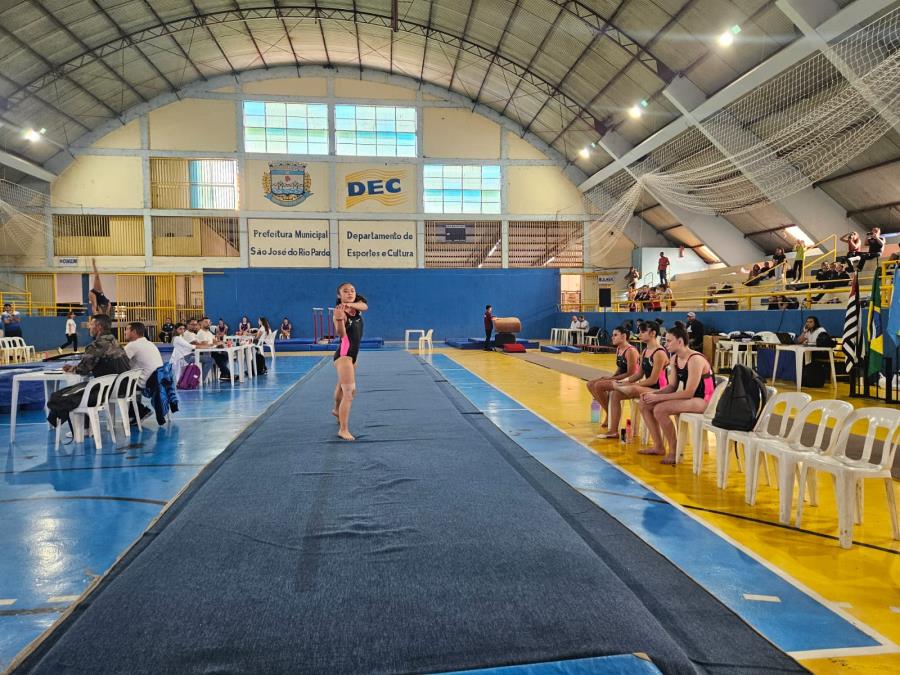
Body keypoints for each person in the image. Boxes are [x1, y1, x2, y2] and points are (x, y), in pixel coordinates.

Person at [637, 325, 714, 464]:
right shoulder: (674, 359)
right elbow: (672, 386)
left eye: (669, 341)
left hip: (704, 400)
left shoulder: (695, 359)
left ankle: (674, 451)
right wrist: (655, 394)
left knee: (660, 409)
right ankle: (659, 446)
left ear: (680, 341)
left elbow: (689, 392)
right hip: (691, 397)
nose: (666, 344)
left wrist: (658, 397)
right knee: (644, 403)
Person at [598, 322, 670, 439]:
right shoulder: (646, 351)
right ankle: (613, 431)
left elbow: (653, 380)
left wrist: (632, 385)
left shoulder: (659, 353)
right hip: (648, 386)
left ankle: (617, 386)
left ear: (653, 333)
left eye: (642, 332)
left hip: (659, 389)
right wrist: (626, 381)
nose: (639, 335)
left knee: (628, 387)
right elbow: (639, 374)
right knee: (616, 394)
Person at [332, 282, 368, 441]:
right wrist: (339, 321)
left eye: (352, 290)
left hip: (353, 356)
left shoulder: (357, 308)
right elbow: (341, 334)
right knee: (349, 393)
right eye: (345, 291)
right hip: (344, 356)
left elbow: (365, 306)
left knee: (341, 385)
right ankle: (343, 429)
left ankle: (335, 409)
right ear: (339, 295)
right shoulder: (340, 312)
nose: (350, 293)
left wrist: (348, 303)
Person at [586, 326, 640, 429]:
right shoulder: (619, 348)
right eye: (612, 335)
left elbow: (631, 373)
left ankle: (609, 414)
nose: (612, 337)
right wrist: (611, 377)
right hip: (620, 378)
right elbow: (620, 368)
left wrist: (612, 379)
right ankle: (609, 411)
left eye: (615, 335)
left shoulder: (631, 351)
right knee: (590, 384)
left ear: (623, 336)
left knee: (598, 386)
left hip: (631, 381)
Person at [62, 314, 130, 378]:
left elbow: (82, 370)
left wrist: (71, 368)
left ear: (99, 327)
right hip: (125, 386)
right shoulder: (115, 342)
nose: (89, 327)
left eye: (91, 324)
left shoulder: (96, 346)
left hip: (109, 388)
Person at [124, 321, 163, 421]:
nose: (124, 332)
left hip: (147, 381)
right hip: (158, 378)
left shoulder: (132, 345)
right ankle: (134, 414)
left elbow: (121, 363)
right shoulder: (149, 343)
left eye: (127, 329)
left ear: (134, 332)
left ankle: (141, 411)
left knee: (119, 385)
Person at [195, 317, 231, 382]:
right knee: (219, 356)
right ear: (201, 323)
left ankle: (224, 373)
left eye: (209, 322)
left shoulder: (208, 332)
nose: (208, 324)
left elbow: (215, 342)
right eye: (206, 322)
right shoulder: (201, 333)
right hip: (205, 353)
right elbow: (205, 345)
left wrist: (222, 343)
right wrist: (216, 344)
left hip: (212, 351)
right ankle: (227, 373)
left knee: (225, 354)